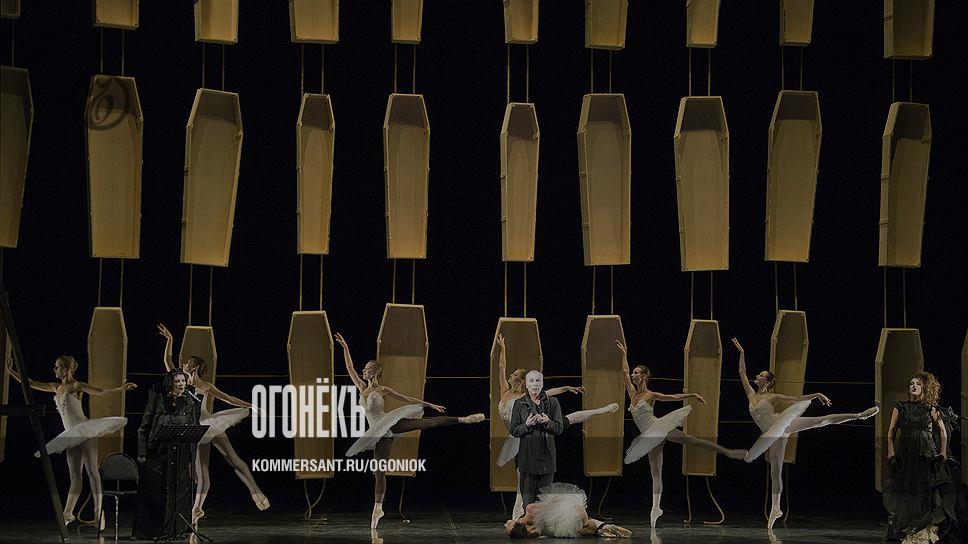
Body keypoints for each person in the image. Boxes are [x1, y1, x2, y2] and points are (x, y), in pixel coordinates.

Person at [336, 332, 485, 531]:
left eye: (368, 368)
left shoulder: (383, 390)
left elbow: (406, 399)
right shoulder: (362, 388)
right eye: (364, 368)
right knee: (379, 472)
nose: (364, 370)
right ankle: (378, 508)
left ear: (376, 372)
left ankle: (463, 419)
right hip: (377, 432)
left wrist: (429, 404)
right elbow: (349, 367)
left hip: (389, 422)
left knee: (425, 424)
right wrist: (346, 348)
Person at [731, 337, 879, 529]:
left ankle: (859, 415)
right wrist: (742, 352)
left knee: (820, 421)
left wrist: (816, 394)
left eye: (761, 375)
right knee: (775, 471)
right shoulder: (751, 394)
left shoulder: (773, 396)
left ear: (768, 381)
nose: (757, 376)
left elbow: (796, 398)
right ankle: (776, 508)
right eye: (758, 374)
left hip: (782, 424)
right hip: (771, 435)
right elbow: (741, 372)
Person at [615, 339, 746, 528]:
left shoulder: (651, 395)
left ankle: (728, 452)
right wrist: (624, 354)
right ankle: (656, 508)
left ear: (643, 376)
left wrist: (692, 395)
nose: (633, 375)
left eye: (637, 373)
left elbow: (673, 397)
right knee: (655, 473)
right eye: (634, 372)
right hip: (649, 437)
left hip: (658, 427)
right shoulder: (632, 394)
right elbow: (624, 372)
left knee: (692, 440)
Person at [495, 333, 618, 519]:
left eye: (515, 375)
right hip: (516, 433)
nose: (510, 375)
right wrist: (503, 349)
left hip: (530, 433)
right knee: (522, 476)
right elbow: (501, 367)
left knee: (566, 421)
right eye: (512, 374)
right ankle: (522, 514)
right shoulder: (504, 391)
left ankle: (601, 410)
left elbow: (550, 392)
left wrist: (567, 388)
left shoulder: (525, 396)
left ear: (521, 381)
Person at [156, 324, 268, 526]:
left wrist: (251, 406)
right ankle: (197, 509)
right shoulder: (181, 383)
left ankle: (256, 491)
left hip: (210, 423)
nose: (184, 364)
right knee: (202, 472)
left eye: (188, 363)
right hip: (197, 429)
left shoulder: (206, 386)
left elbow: (229, 398)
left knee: (233, 458)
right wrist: (170, 339)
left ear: (194, 367)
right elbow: (167, 361)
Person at [7, 355, 135, 530]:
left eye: (58, 367)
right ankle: (67, 513)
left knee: (92, 471)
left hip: (85, 430)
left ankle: (99, 512)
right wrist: (10, 371)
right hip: (71, 435)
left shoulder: (76, 386)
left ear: (67, 370)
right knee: (75, 477)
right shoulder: (56, 387)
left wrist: (121, 388)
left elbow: (101, 391)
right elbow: (30, 383)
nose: (54, 369)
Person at [883, 372, 958, 544]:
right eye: (912, 384)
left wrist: (943, 452)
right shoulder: (900, 407)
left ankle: (922, 532)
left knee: (924, 493)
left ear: (924, 387)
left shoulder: (930, 408)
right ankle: (906, 531)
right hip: (906, 455)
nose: (914, 386)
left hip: (925, 455)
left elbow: (942, 430)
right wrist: (890, 450)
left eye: (917, 383)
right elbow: (891, 431)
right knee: (905, 492)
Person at [131, 368, 200, 540]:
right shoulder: (158, 399)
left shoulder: (190, 401)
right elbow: (144, 427)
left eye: (183, 381)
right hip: (158, 451)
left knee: (179, 491)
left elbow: (193, 429)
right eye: (177, 381)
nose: (181, 384)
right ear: (170, 384)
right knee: (154, 490)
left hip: (180, 453)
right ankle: (150, 531)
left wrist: (191, 460)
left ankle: (177, 530)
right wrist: (142, 451)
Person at [509, 369, 565, 510]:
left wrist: (548, 422)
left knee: (544, 505)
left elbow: (559, 428)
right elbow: (514, 430)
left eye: (537, 380)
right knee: (528, 505)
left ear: (542, 383)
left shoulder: (553, 402)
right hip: (527, 459)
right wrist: (527, 424)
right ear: (526, 384)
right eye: (531, 381)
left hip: (547, 459)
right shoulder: (519, 404)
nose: (534, 384)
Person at [503, 482, 631, 538]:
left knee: (584, 527)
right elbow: (551, 506)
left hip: (563, 529)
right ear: (517, 522)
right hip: (572, 513)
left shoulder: (532, 534)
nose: (506, 523)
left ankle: (605, 529)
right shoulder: (530, 509)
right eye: (508, 525)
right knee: (582, 518)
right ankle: (605, 527)